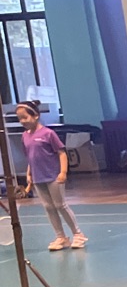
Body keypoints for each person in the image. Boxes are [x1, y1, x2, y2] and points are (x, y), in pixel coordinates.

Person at [15, 102, 85, 250]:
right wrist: (29, 173)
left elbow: (61, 153)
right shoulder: (24, 136)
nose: (22, 121)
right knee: (48, 207)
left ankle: (78, 235)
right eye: (19, 118)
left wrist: (63, 172)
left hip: (53, 175)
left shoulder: (48, 134)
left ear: (36, 116)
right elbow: (31, 157)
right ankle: (61, 237)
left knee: (60, 205)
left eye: (25, 117)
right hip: (38, 177)